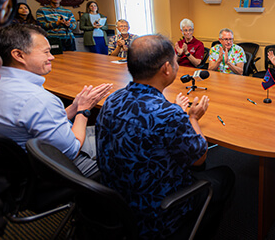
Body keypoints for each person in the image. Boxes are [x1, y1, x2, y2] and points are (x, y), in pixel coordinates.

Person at [96, 34, 235, 239]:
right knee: (226, 175)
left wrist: (175, 113)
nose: (177, 65)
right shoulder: (168, 114)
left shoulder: (112, 99)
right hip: (155, 214)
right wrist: (192, 118)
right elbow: (199, 158)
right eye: (176, 61)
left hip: (113, 203)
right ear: (166, 69)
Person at [0, 24, 112, 177]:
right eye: (46, 52)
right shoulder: (37, 99)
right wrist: (84, 111)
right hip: (58, 168)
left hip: (19, 167)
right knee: (120, 139)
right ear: (19, 55)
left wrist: (74, 107)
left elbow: (38, 121)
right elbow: (72, 151)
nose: (52, 57)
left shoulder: (2, 84)